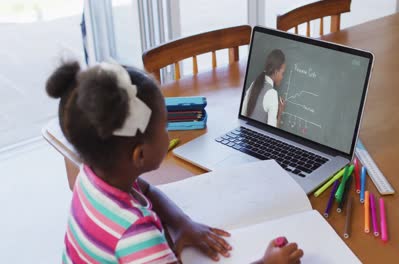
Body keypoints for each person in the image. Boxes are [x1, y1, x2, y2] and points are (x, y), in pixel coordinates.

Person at [46, 61, 303, 263]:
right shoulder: (137, 236)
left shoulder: (92, 176)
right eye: (165, 127)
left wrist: (182, 224)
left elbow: (147, 190)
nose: (169, 134)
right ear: (140, 155)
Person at [241, 49, 286, 127]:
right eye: (282, 73)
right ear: (276, 72)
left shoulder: (254, 84)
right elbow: (272, 133)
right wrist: (280, 113)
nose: (283, 77)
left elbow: (242, 115)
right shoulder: (272, 93)